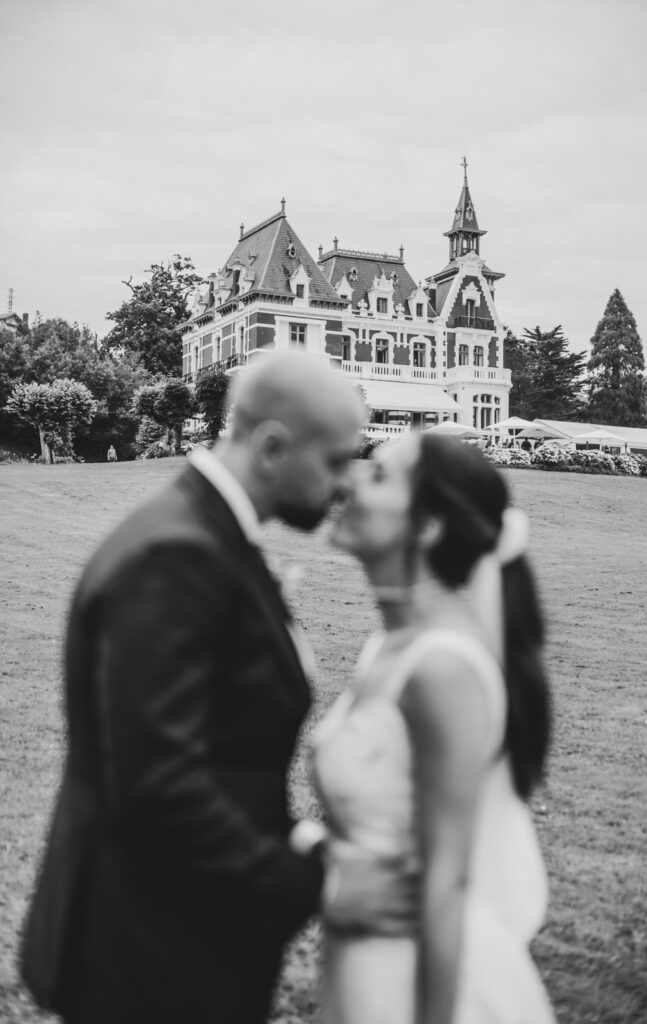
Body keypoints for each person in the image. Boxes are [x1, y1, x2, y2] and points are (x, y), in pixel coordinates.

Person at [20, 353, 414, 1024]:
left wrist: (309, 843)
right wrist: (318, 885)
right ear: (271, 448)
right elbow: (158, 785)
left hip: (182, 929)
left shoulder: (213, 535)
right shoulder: (176, 553)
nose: (343, 485)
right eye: (335, 461)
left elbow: (230, 752)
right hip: (146, 948)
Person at [313, 430, 555, 1023]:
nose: (348, 479)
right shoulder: (386, 646)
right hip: (360, 963)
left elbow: (445, 887)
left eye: (378, 475)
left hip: (418, 979)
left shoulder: (444, 668)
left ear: (427, 527)